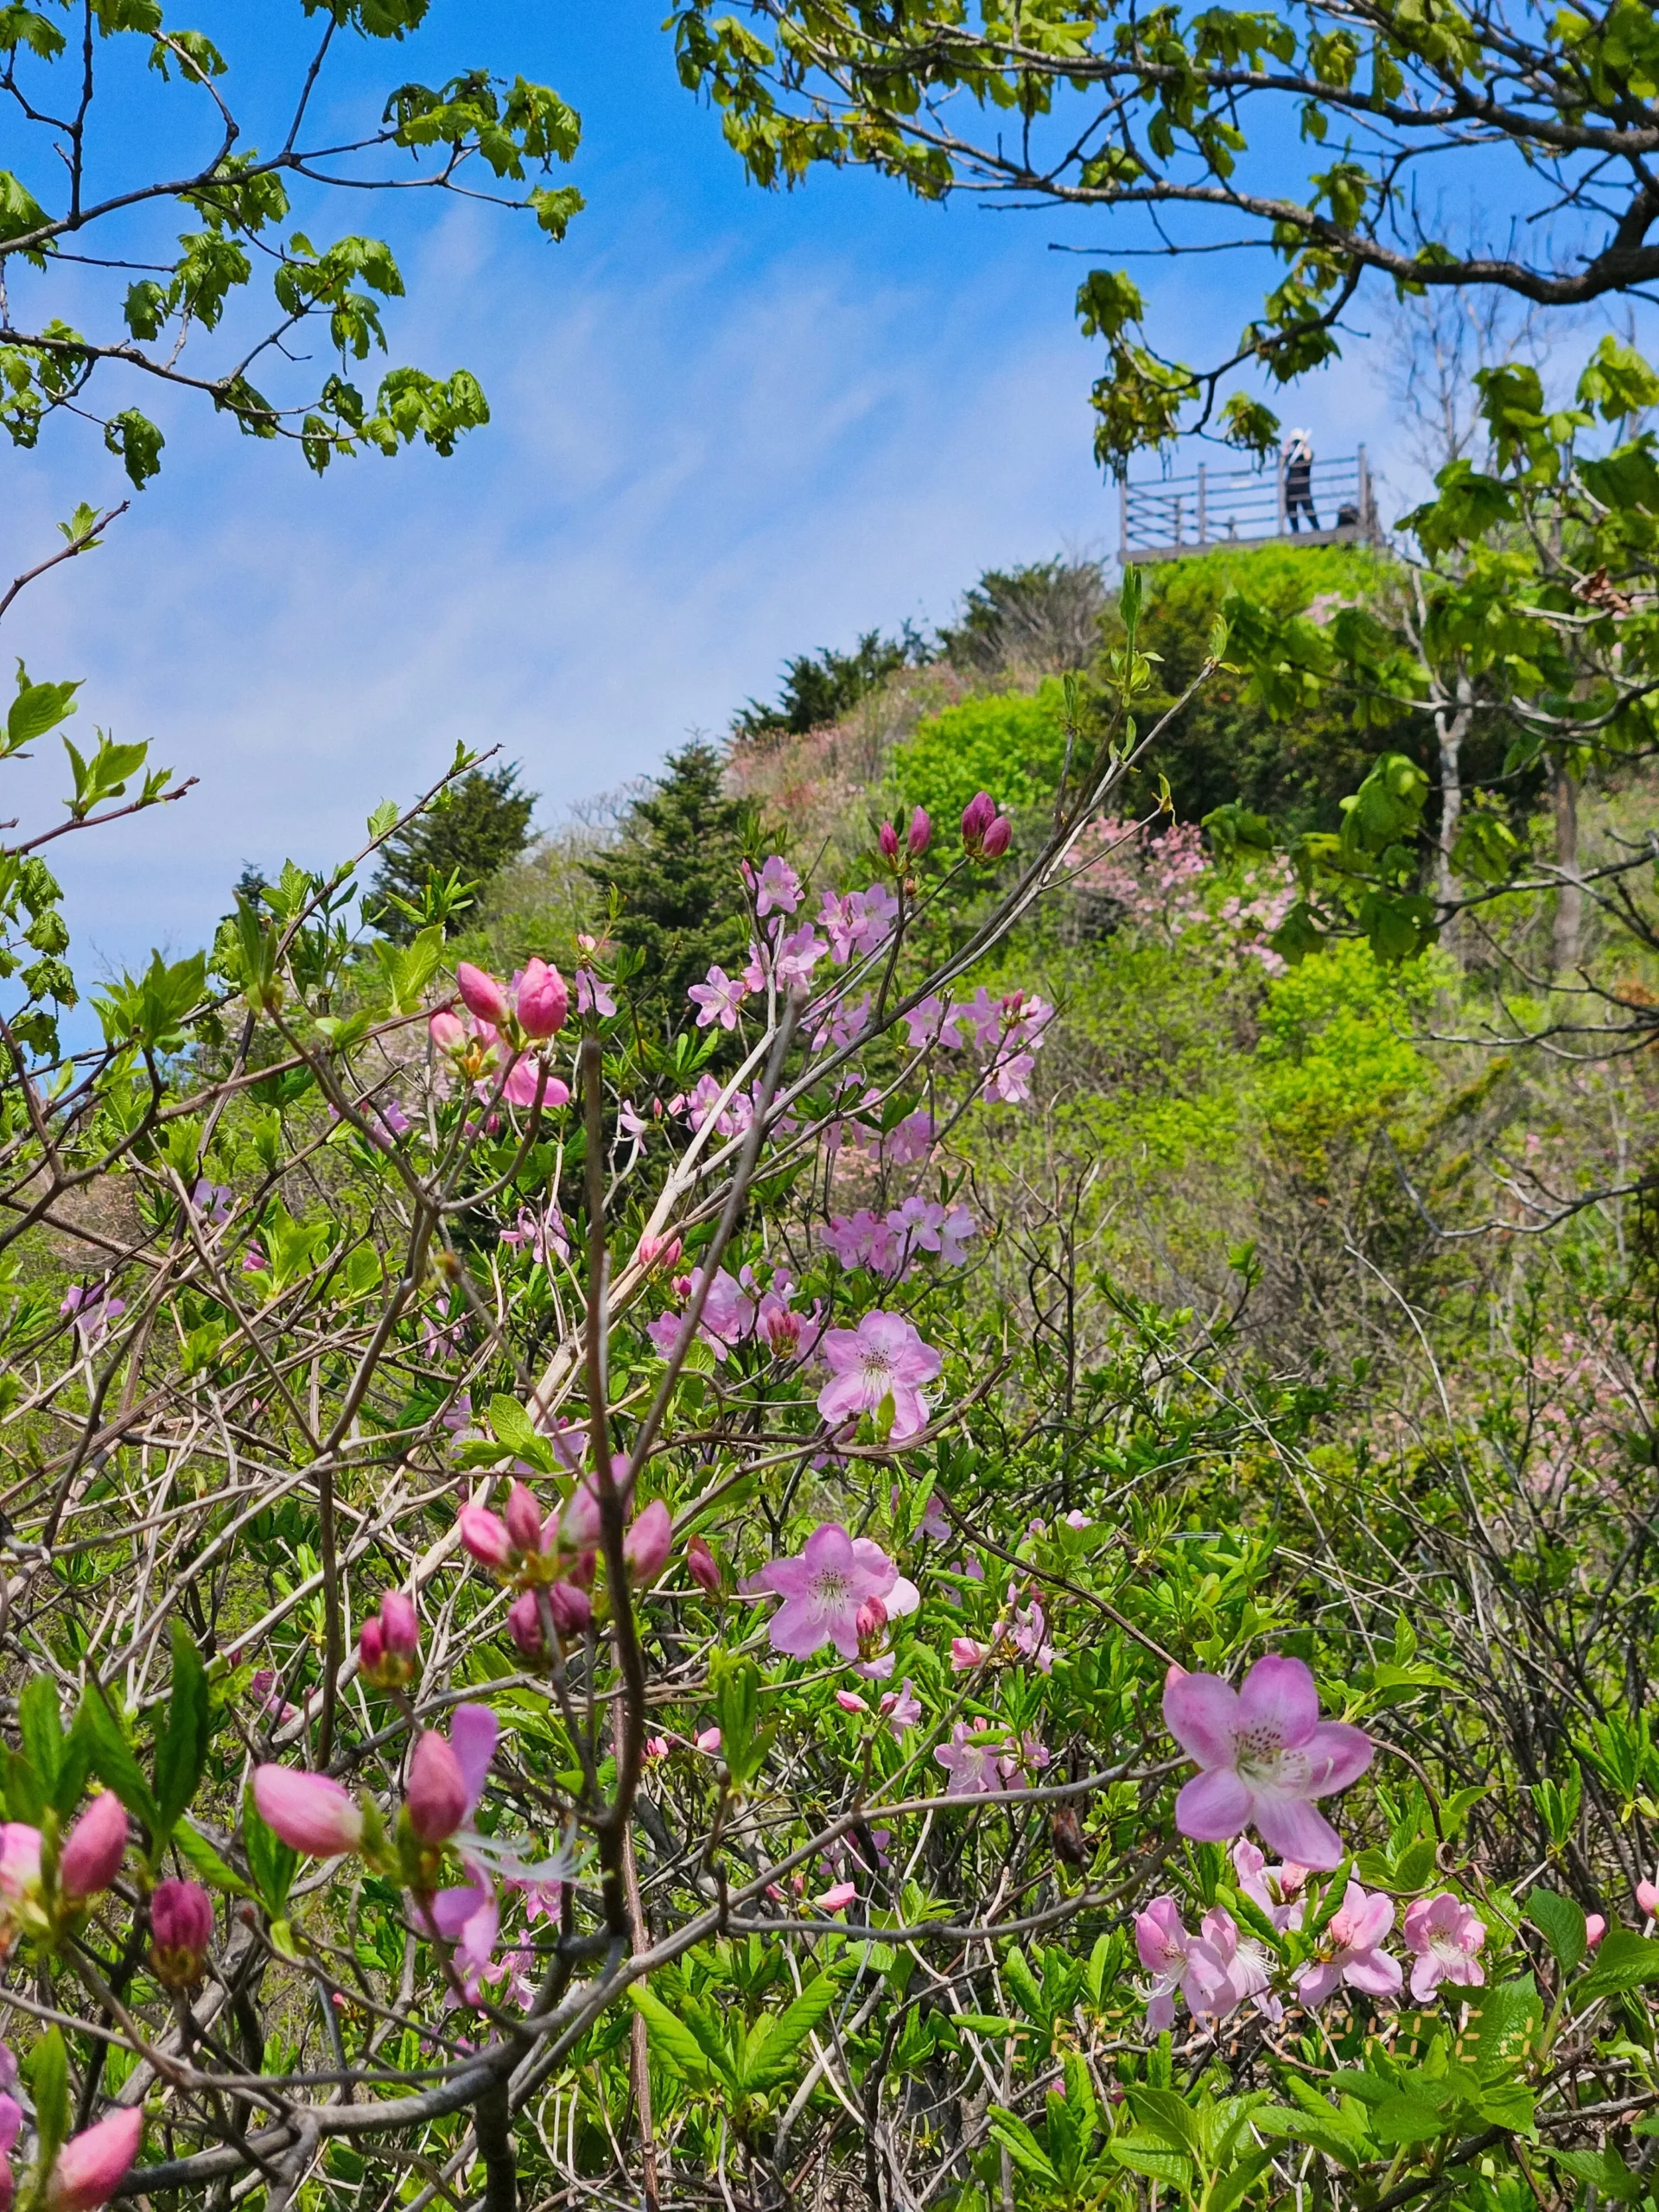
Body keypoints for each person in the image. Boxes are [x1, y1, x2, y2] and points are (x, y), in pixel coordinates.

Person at [1283, 430, 1318, 532]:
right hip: (1291, 488)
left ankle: (1317, 529)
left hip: (1303, 488)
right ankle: (1296, 533)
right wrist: (1287, 445)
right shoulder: (1291, 457)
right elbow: (1283, 458)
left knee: (1308, 510)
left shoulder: (1306, 453)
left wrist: (1304, 445)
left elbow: (1308, 457)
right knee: (1292, 513)